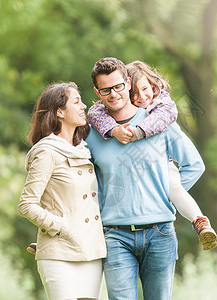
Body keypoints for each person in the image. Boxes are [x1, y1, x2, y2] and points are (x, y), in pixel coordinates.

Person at [85, 57, 205, 299]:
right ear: (97, 92)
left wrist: (167, 195)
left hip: (160, 233)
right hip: (114, 236)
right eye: (106, 89)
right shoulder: (91, 133)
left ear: (128, 84)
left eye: (118, 86)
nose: (114, 94)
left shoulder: (159, 123)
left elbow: (194, 165)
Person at [18, 82, 106, 300]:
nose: (84, 106)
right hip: (59, 253)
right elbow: (26, 205)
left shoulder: (84, 150)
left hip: (91, 252)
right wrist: (61, 227)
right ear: (59, 111)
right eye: (76, 102)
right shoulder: (47, 151)